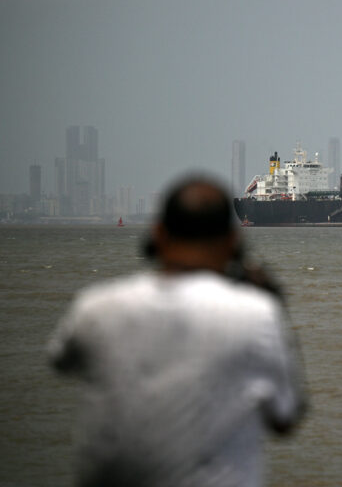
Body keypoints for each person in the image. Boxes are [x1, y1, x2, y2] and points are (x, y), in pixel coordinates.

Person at [48, 176, 308, 487]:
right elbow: (286, 418)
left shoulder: (95, 308)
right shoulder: (255, 315)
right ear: (233, 242)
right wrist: (274, 303)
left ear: (156, 234)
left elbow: (60, 361)